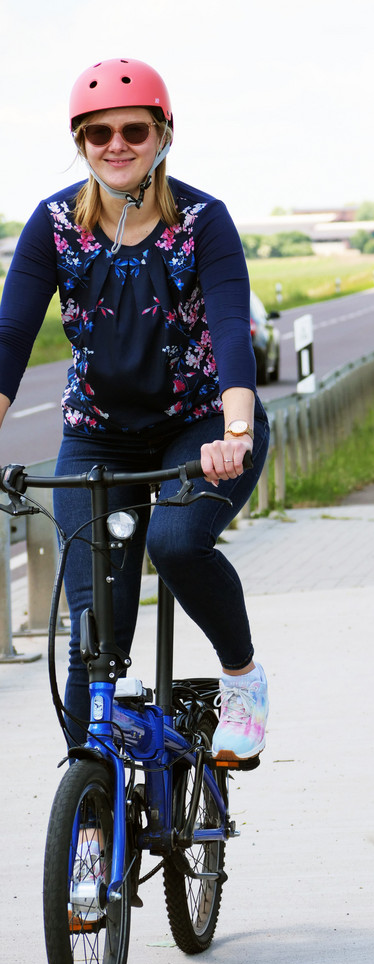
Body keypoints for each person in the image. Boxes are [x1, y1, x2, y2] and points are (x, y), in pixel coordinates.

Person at [0, 58, 269, 762]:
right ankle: (92, 809)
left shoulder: (204, 221)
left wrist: (235, 432)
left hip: (203, 423)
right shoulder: (54, 224)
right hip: (99, 437)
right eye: (97, 134)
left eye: (133, 130)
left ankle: (242, 680)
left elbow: (232, 332)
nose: (115, 145)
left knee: (175, 543)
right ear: (81, 142)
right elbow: (8, 342)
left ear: (163, 135)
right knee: (94, 632)